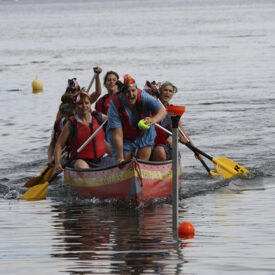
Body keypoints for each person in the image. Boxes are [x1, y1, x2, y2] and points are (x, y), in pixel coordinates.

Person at [107, 74, 167, 165]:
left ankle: (141, 175)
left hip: (144, 135)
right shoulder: (114, 105)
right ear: (122, 93)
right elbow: (117, 134)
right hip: (124, 137)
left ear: (137, 90)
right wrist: (120, 158)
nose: (131, 95)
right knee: (124, 164)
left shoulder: (144, 96)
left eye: (133, 91)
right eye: (127, 91)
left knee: (141, 164)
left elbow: (162, 111)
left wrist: (153, 120)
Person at [54, 91, 114, 174]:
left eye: (86, 103)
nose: (84, 106)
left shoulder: (98, 117)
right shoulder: (71, 124)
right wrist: (57, 164)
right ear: (75, 106)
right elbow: (59, 145)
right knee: (82, 166)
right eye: (80, 103)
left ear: (90, 105)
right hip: (80, 161)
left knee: (118, 162)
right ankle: (91, 182)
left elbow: (115, 121)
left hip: (101, 159)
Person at [151, 81, 202, 161]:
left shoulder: (173, 111)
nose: (167, 93)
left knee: (159, 151)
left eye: (170, 91)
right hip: (149, 141)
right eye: (165, 90)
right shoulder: (151, 105)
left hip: (162, 145)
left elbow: (182, 133)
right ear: (160, 92)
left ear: (172, 94)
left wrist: (195, 151)